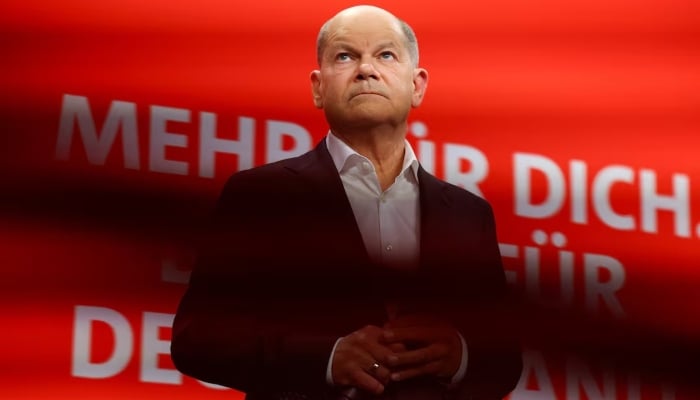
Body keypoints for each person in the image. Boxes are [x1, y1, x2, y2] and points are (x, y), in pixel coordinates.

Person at [171, 5, 522, 400]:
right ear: (318, 88)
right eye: (345, 56)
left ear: (417, 85)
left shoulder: (468, 214)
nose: (365, 69)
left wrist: (459, 355)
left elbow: (505, 360)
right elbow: (196, 338)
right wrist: (326, 357)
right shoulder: (260, 195)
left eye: (386, 55)